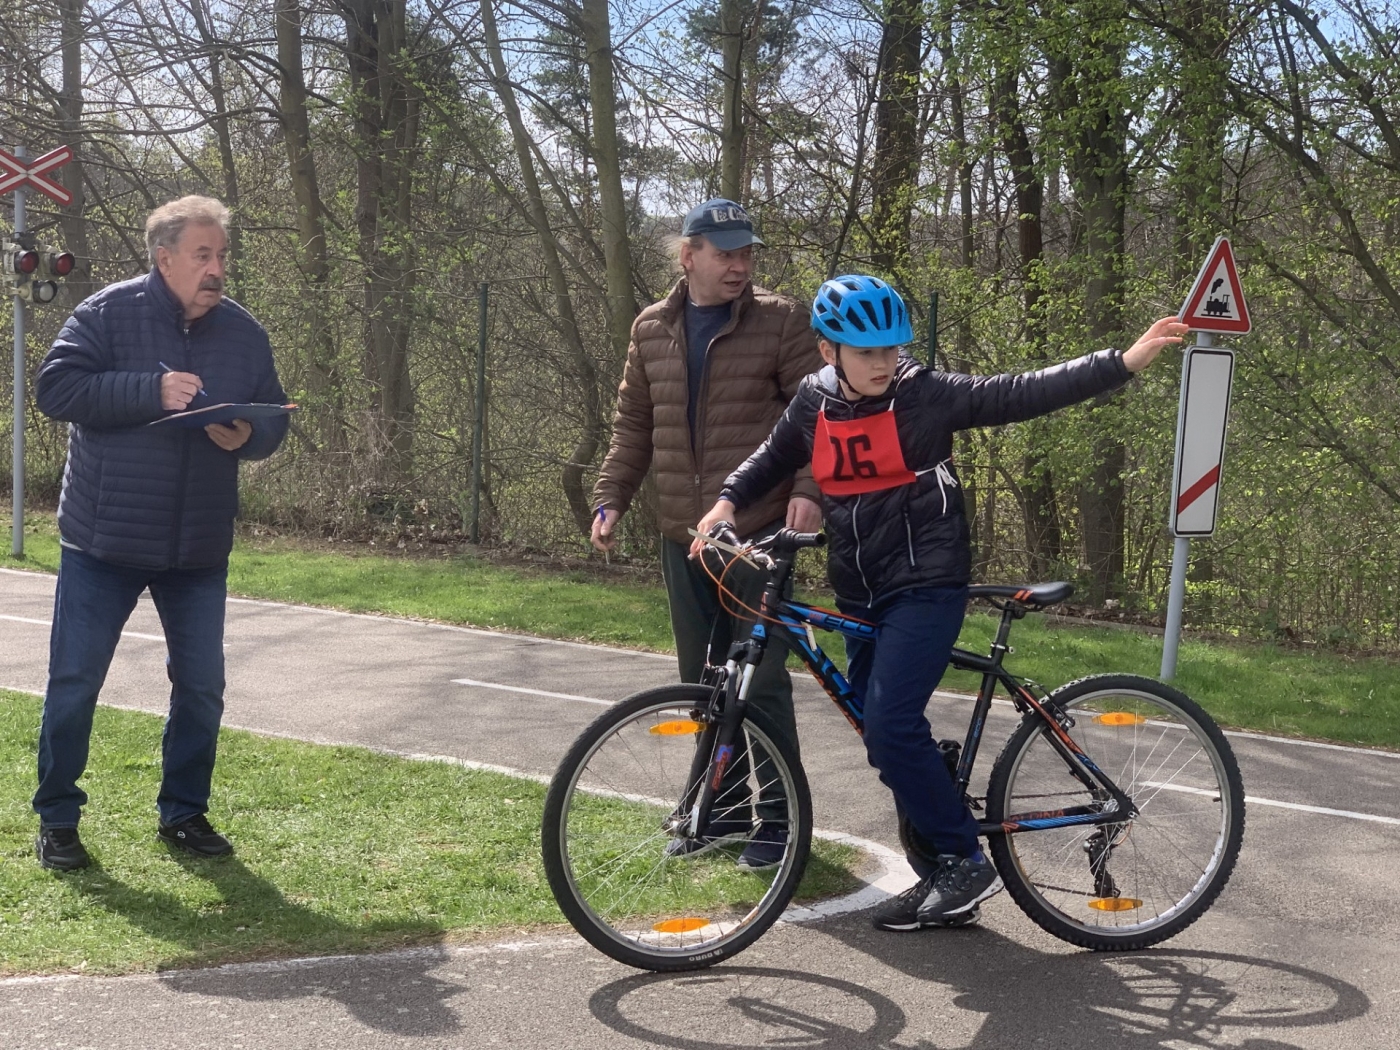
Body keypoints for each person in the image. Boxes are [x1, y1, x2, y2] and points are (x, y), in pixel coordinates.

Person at [694, 274, 1187, 926]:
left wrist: (1121, 362)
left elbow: (1017, 392)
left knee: (890, 725)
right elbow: (772, 455)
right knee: (881, 735)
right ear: (827, 351)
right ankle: (941, 860)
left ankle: (965, 860)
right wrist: (726, 502)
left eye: (890, 348)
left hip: (925, 583)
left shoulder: (923, 395)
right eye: (865, 351)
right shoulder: (814, 401)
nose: (881, 362)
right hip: (859, 590)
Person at [31, 195, 289, 871]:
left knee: (202, 688)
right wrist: (150, 390)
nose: (216, 268)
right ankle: (57, 819)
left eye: (221, 255)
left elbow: (274, 419)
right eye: (203, 255)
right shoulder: (105, 313)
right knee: (75, 683)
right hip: (103, 541)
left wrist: (249, 435)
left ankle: (184, 813)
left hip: (197, 548)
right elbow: (55, 390)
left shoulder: (244, 333)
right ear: (164, 258)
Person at [591, 199, 824, 869]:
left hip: (758, 534)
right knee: (704, 682)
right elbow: (634, 424)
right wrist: (611, 496)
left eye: (746, 253)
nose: (739, 265)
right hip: (683, 535)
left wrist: (808, 491)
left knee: (762, 679)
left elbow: (819, 417)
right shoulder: (651, 327)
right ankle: (718, 812)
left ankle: (778, 822)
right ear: (688, 256)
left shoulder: (781, 321)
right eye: (725, 254)